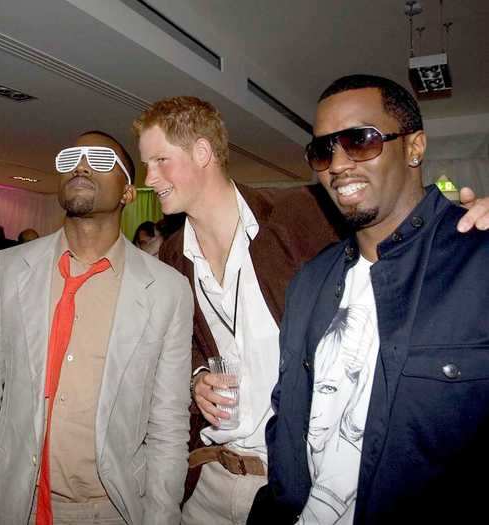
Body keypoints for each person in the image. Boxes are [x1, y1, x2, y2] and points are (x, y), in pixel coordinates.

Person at [133, 95, 489, 525]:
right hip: (208, 478)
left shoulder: (302, 214)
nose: (149, 177)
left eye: (159, 161)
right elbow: (182, 344)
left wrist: (458, 224)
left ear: (203, 153)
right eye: (146, 164)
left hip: (293, 482)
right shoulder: (173, 254)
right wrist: (196, 378)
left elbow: (393, 234)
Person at [248, 74, 489, 525]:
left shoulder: (477, 259)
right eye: (322, 150)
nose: (337, 164)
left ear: (414, 147)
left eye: (360, 140)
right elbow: (290, 414)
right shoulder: (310, 281)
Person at [0, 131, 193, 525]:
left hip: (110, 510)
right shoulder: (10, 269)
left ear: (127, 192)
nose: (81, 166)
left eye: (101, 160)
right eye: (71, 157)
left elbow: (168, 428)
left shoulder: (168, 291)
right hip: (9, 503)